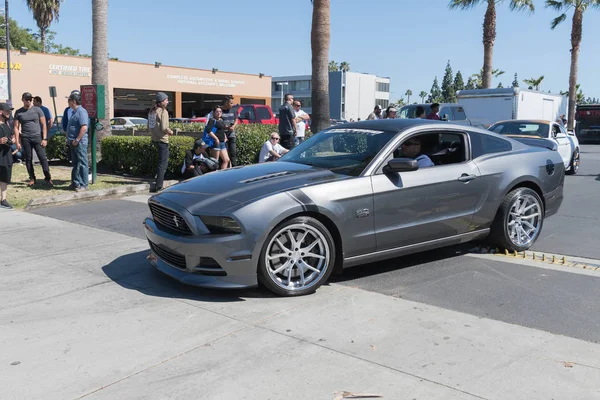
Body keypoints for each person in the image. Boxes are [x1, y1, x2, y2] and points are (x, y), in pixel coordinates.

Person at [13, 92, 53, 187]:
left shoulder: (38, 110)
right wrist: (18, 142)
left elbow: (43, 124)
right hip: (26, 138)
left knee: (42, 158)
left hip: (37, 137)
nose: (28, 101)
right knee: (28, 159)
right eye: (26, 99)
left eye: (30, 99)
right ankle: (32, 178)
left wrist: (45, 138)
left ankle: (48, 178)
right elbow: (16, 127)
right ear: (22, 100)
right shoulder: (19, 112)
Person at [149, 92, 173, 192]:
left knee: (158, 162)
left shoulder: (152, 111)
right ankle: (159, 185)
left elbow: (149, 126)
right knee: (163, 163)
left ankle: (157, 179)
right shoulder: (164, 112)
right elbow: (164, 127)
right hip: (162, 140)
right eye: (166, 100)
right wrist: (170, 131)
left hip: (154, 139)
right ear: (161, 101)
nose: (167, 102)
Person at [65, 91, 90, 192]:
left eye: (69, 100)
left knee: (82, 162)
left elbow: (84, 127)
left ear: (74, 101)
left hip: (79, 142)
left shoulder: (81, 111)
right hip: (73, 142)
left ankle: (84, 184)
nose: (68, 102)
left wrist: (77, 139)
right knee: (75, 163)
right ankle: (75, 183)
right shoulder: (74, 112)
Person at [0, 102, 14, 208]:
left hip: (7, 155)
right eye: (7, 111)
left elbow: (10, 138)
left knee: (5, 177)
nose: (9, 113)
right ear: (1, 112)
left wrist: (12, 140)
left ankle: (3, 199)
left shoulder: (7, 124)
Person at [220, 96, 239, 167]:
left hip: (232, 135)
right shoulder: (220, 111)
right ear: (226, 103)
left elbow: (236, 120)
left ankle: (234, 168)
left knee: (233, 153)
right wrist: (226, 127)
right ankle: (227, 169)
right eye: (231, 103)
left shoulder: (233, 110)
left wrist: (233, 126)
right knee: (226, 155)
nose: (232, 104)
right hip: (223, 136)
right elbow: (219, 123)